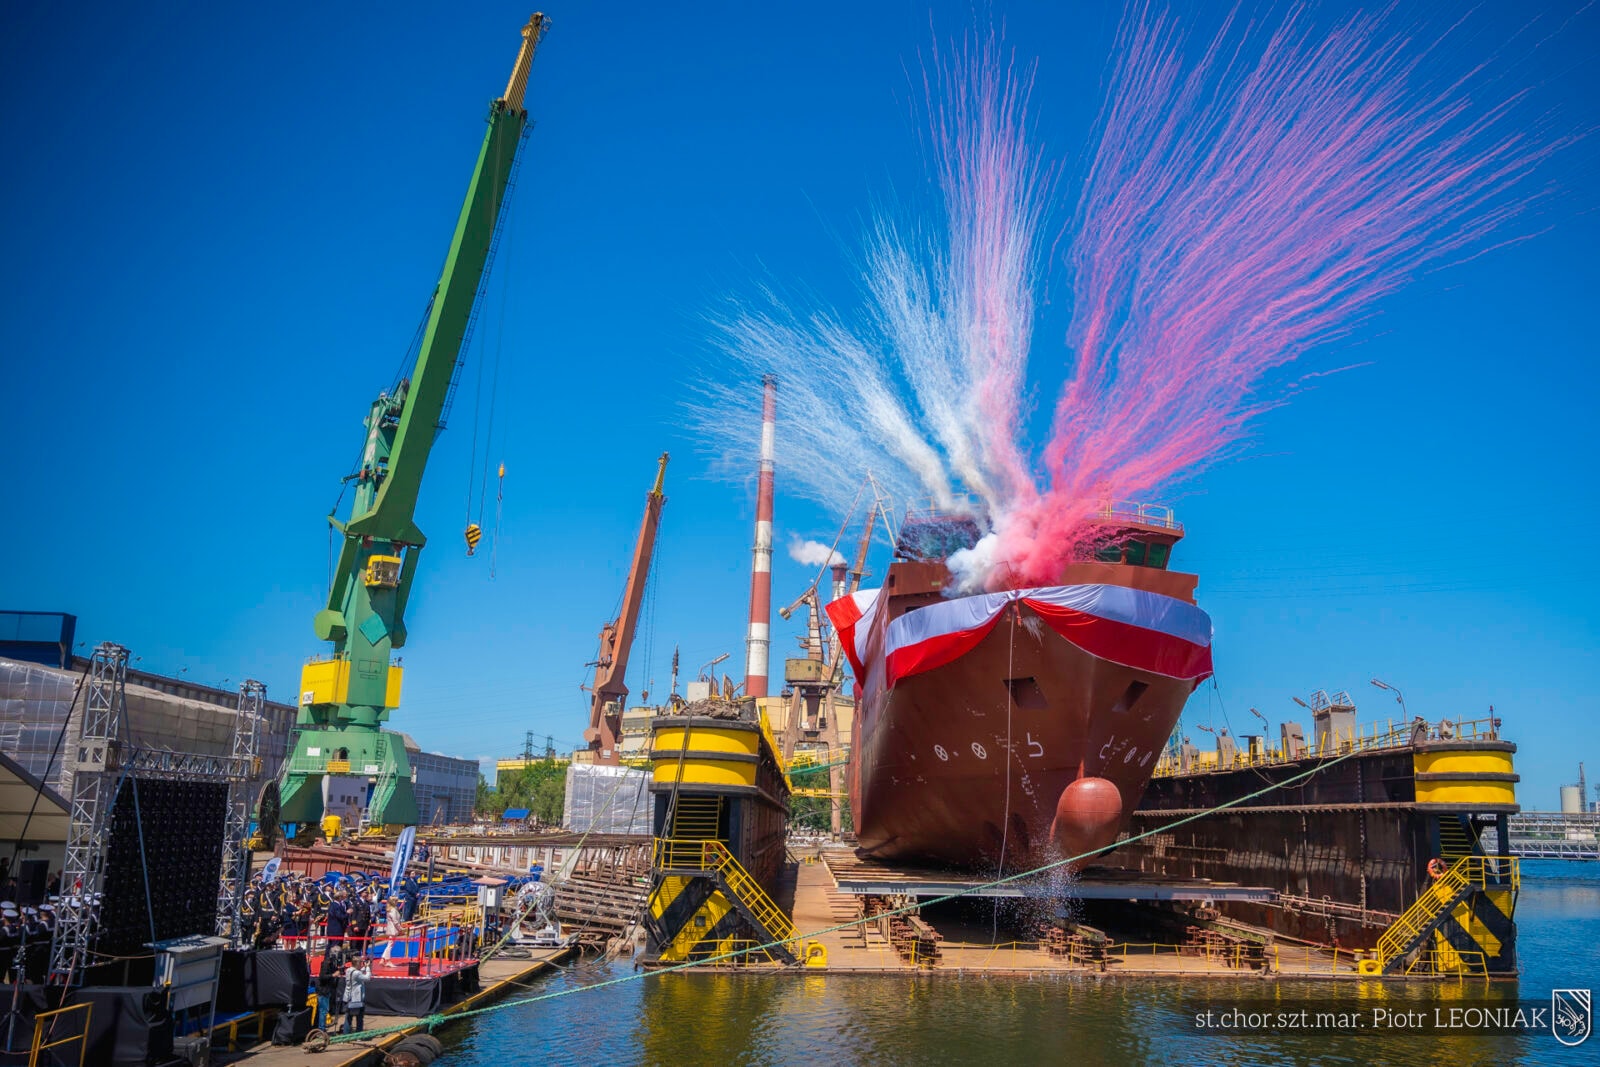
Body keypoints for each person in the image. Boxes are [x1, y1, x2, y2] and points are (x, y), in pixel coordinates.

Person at [314, 950, 343, 1033]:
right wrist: (333, 975)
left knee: (325, 1010)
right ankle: (321, 1029)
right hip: (323, 990)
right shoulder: (326, 964)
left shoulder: (332, 963)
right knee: (323, 1011)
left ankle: (322, 1027)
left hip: (327, 989)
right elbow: (322, 977)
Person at [340, 959, 370, 1035]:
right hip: (356, 999)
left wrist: (364, 967)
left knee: (348, 1018)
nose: (361, 965)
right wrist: (368, 968)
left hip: (348, 998)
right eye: (360, 963)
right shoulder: (357, 973)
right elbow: (367, 978)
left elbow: (357, 972)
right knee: (359, 1018)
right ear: (357, 964)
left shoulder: (348, 971)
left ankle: (345, 1035)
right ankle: (358, 1035)